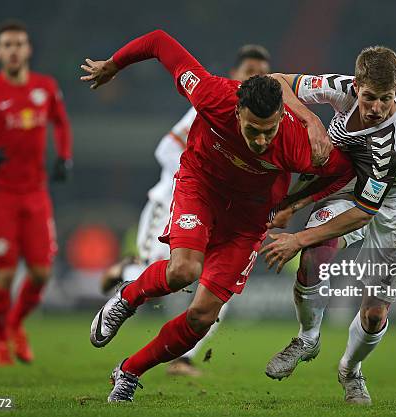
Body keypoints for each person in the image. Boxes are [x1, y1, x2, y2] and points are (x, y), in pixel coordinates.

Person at [80, 29, 352, 402]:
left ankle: (128, 372)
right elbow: (160, 42)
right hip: (200, 190)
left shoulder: (296, 143)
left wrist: (294, 205)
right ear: (237, 109)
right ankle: (127, 299)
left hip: (247, 222)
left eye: (268, 131)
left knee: (202, 316)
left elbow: (345, 171)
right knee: (183, 270)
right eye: (253, 130)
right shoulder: (212, 95)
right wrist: (114, 64)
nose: (260, 140)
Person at [260, 47, 396, 405]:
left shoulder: (394, 141)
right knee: (313, 255)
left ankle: (351, 371)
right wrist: (311, 121)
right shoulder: (342, 90)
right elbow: (276, 83)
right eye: (369, 97)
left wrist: (296, 235)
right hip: (354, 184)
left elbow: (366, 212)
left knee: (373, 312)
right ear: (357, 86)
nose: (376, 108)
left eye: (387, 99)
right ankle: (307, 338)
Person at [100, 44, 272, 377]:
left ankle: (183, 358)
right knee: (159, 275)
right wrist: (196, 178)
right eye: (249, 71)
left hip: (220, 216)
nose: (255, 78)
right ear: (235, 74)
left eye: (261, 73)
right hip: (172, 202)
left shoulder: (260, 121)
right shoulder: (211, 106)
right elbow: (166, 149)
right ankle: (125, 272)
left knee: (217, 291)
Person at [0, 20, 73, 366]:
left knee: (42, 273)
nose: (14, 50)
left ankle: (14, 325)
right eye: (7, 45)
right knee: (6, 273)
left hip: (36, 192)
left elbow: (61, 123)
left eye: (19, 44)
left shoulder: (46, 87)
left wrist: (64, 158)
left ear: (28, 50)